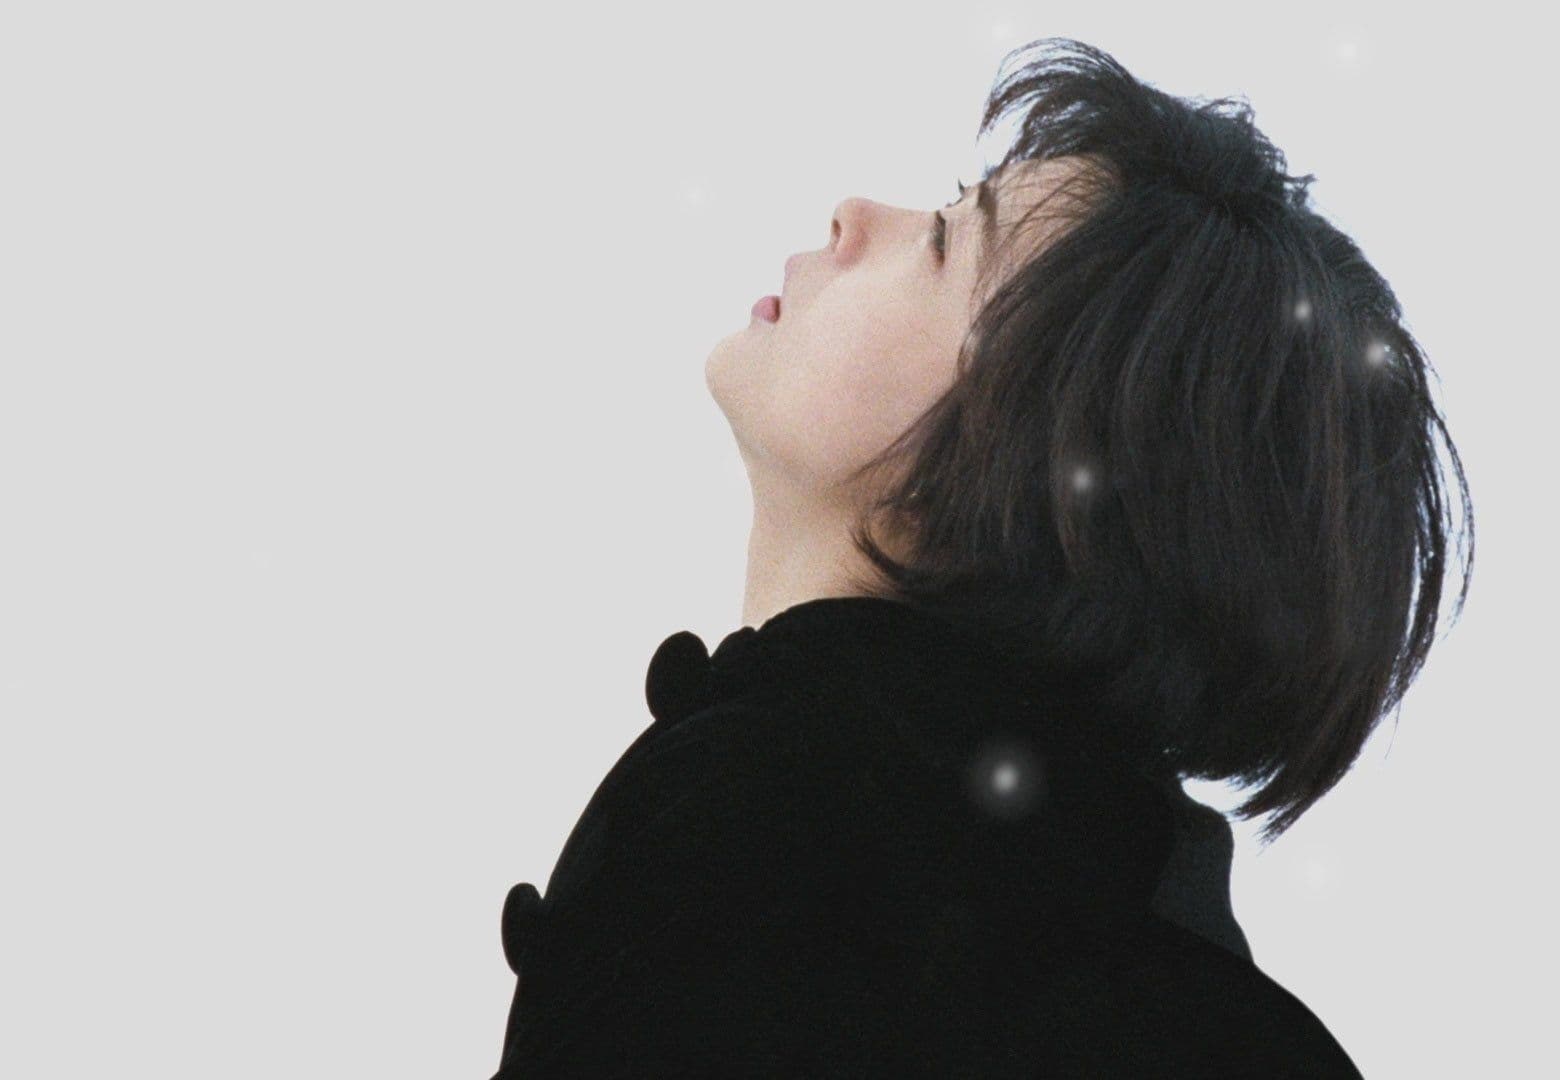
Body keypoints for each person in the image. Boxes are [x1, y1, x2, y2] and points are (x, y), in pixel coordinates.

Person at [490, 36, 1470, 1078]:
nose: (853, 215)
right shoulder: (1140, 949)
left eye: (946, 244)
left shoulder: (767, 851)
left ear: (1039, 452)